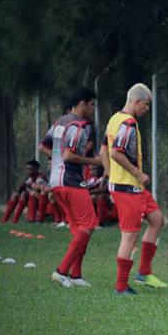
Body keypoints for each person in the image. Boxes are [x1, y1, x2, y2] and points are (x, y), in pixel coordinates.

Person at [100, 83, 167, 295]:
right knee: (129, 236)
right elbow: (116, 152)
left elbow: (104, 149)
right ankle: (121, 286)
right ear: (136, 102)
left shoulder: (114, 119)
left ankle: (144, 272)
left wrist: (110, 175)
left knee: (157, 219)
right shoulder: (128, 123)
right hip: (127, 188)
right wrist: (137, 174)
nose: (147, 109)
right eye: (146, 105)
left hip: (132, 186)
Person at [49, 88, 102, 288]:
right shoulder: (77, 125)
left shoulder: (59, 122)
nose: (92, 108)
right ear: (82, 103)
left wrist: (55, 161)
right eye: (91, 104)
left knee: (79, 229)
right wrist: (92, 160)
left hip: (56, 181)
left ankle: (76, 274)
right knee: (89, 224)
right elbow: (69, 155)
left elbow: (44, 146)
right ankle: (61, 271)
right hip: (71, 180)